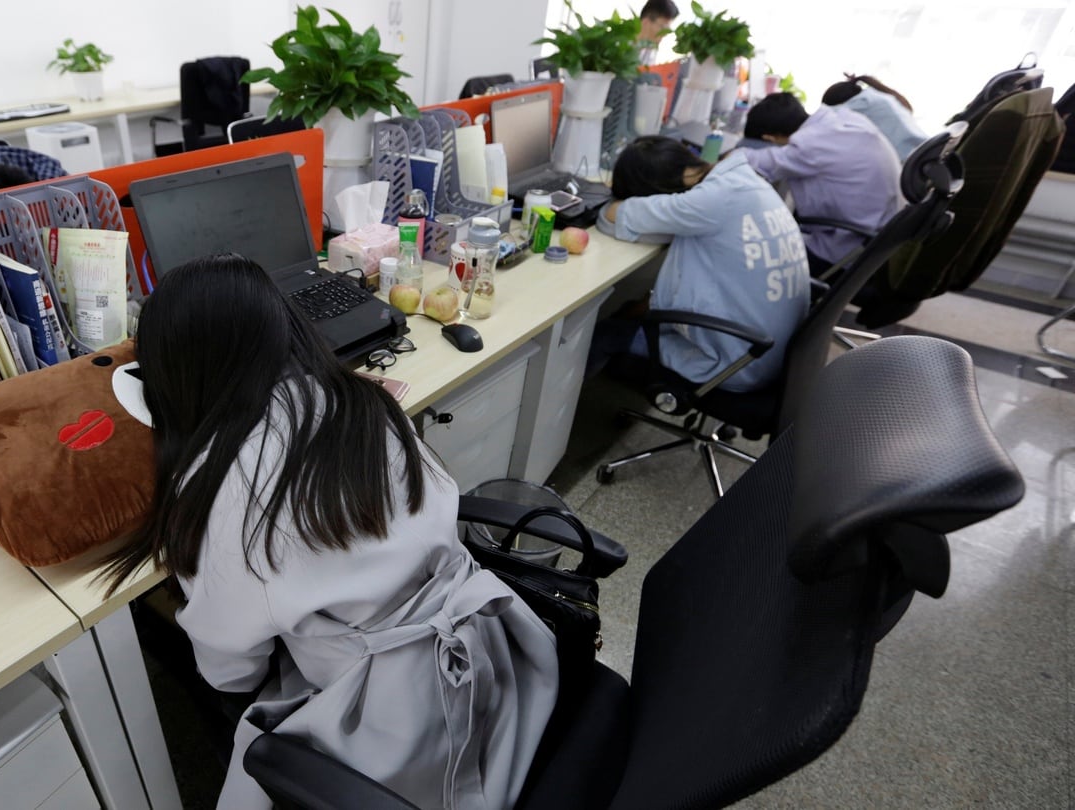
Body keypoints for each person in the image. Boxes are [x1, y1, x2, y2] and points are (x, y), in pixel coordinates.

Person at [98, 254, 559, 809]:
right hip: (498, 649)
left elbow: (230, 667)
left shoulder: (223, 487)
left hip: (392, 714)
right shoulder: (363, 401)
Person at [594, 136, 810, 392]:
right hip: (774, 354)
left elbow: (611, 215)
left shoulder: (705, 202)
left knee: (603, 333)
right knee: (634, 308)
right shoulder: (745, 181)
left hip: (738, 363)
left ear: (659, 189)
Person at [743, 92, 903, 275]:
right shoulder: (845, 119)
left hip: (845, 255)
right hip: (878, 245)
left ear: (770, 138)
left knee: (746, 248)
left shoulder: (810, 145)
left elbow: (753, 160)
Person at [822, 74, 927, 161]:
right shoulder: (880, 97)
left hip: (908, 164)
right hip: (929, 150)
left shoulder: (855, 105)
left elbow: (825, 118)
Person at [638, 0, 680, 64]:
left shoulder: (650, 51)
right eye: (663, 28)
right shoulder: (620, 44)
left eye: (667, 30)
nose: (665, 34)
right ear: (645, 22)